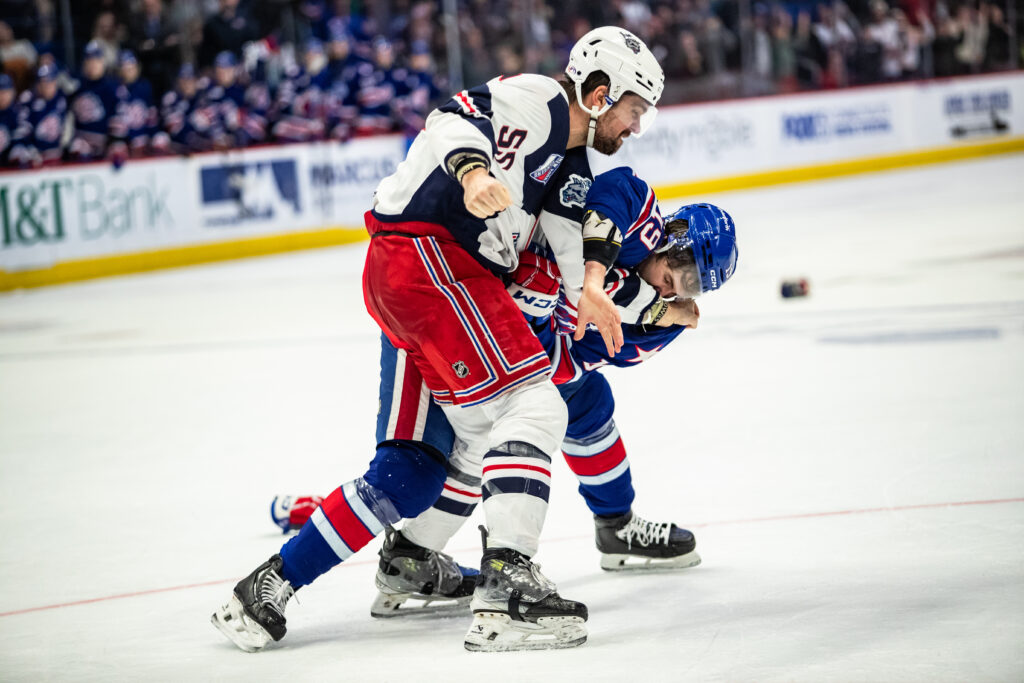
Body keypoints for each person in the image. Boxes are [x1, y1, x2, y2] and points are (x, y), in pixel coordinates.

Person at [212, 26, 665, 654]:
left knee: (413, 472)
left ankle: (269, 588)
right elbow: (448, 120)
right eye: (634, 109)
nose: (637, 126)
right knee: (532, 405)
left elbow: (562, 234)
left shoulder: (574, 163)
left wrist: (586, 285)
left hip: (413, 277)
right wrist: (474, 174)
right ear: (598, 90)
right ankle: (510, 592)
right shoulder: (539, 100)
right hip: (433, 262)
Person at [271, 181, 738, 620]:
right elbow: (609, 199)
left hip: (520, 341)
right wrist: (639, 299)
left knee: (583, 400)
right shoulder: (632, 219)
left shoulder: (666, 322)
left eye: (695, 289)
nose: (675, 292)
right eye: (681, 273)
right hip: (456, 310)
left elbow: (567, 363)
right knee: (429, 463)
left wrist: (645, 310)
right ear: (669, 238)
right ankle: (406, 552)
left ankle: (615, 524)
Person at [68, 40, 119, 161]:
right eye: (89, 61)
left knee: (118, 149)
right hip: (81, 142)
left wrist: (113, 142)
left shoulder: (112, 87)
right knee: (78, 148)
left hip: (105, 142)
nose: (93, 64)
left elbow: (118, 117)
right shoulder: (76, 85)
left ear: (103, 62)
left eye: (96, 60)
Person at [9, 63, 67, 167]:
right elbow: (21, 130)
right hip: (34, 156)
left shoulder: (61, 98)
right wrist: (29, 148)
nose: (46, 86)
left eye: (49, 82)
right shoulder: (28, 100)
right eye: (42, 82)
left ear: (55, 82)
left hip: (56, 155)